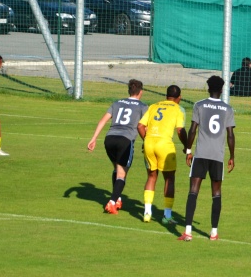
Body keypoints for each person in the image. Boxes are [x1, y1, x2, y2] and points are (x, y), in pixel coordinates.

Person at [177, 76, 236, 241]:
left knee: (193, 190)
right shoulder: (227, 109)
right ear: (222, 89)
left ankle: (188, 231)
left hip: (201, 154)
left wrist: (188, 150)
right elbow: (230, 135)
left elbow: (192, 130)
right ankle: (214, 233)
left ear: (208, 88)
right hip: (217, 156)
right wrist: (232, 156)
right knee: (216, 193)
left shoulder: (199, 105)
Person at [87, 79, 147, 215]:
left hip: (109, 139)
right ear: (140, 92)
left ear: (129, 91)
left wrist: (94, 138)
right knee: (122, 174)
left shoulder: (117, 103)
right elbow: (144, 126)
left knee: (116, 168)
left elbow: (103, 120)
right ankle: (112, 202)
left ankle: (118, 198)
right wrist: (147, 141)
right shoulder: (143, 107)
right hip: (125, 141)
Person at [137, 85, 188, 224]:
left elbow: (140, 126)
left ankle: (147, 213)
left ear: (166, 96)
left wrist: (146, 139)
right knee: (169, 179)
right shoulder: (178, 109)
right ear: (179, 97)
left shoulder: (153, 106)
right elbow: (180, 130)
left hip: (149, 143)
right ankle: (167, 216)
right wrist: (187, 146)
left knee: (151, 177)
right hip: (164, 145)